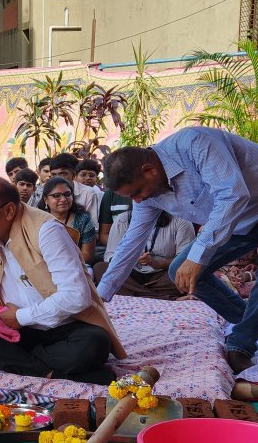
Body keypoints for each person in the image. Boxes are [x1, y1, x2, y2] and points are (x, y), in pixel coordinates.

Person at [97, 127, 258, 373]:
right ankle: (249, 325)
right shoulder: (148, 194)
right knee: (178, 271)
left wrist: (197, 256)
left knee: (193, 264)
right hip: (236, 224)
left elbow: (233, 195)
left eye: (137, 193)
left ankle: (241, 344)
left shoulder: (196, 143)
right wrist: (100, 298)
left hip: (240, 209)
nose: (138, 201)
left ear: (149, 170)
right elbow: (132, 242)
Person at [0, 176, 126, 385]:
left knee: (95, 344)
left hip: (64, 326)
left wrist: (22, 317)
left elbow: (77, 296)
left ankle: (18, 361)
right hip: (16, 329)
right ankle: (52, 373)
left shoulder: (47, 230)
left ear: (8, 211)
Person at [94, 210, 195, 300]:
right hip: (130, 274)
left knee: (184, 276)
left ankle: (134, 293)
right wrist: (131, 259)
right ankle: (165, 298)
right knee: (100, 268)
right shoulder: (123, 219)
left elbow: (185, 262)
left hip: (162, 275)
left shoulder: (181, 221)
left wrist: (159, 264)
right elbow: (110, 256)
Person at [40, 177, 97, 265]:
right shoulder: (39, 220)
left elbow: (87, 255)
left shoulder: (83, 219)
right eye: (57, 195)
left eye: (67, 194)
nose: (63, 199)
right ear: (45, 199)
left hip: (77, 266)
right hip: (45, 268)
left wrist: (63, 265)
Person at [50, 153, 100, 230]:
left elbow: (93, 228)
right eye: (53, 174)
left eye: (63, 174)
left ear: (73, 175)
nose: (57, 178)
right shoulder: (46, 192)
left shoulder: (88, 193)